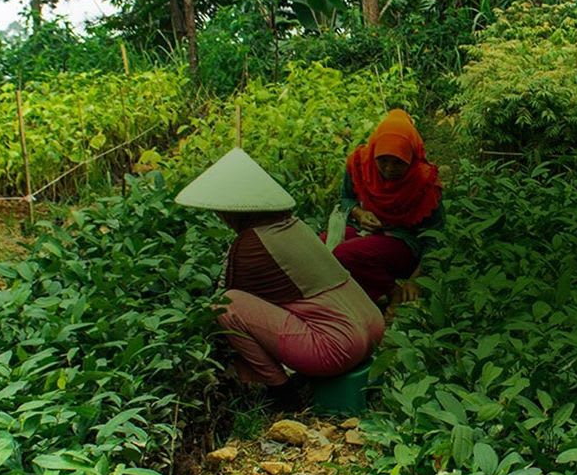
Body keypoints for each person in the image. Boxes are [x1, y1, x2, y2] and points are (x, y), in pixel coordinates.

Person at [176, 148, 385, 392]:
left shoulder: (252, 243)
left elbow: (229, 299)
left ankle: (280, 389)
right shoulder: (295, 226)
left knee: (227, 304)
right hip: (372, 326)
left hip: (337, 347)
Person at [330, 109, 443, 307]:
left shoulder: (424, 183)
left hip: (403, 243)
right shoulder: (360, 164)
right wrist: (360, 213)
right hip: (368, 232)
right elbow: (346, 198)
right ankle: (368, 295)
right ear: (373, 152)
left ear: (411, 157)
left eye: (398, 162)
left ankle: (392, 292)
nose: (389, 168)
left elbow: (435, 236)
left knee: (346, 254)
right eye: (382, 160)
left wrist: (417, 279)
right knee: (323, 246)